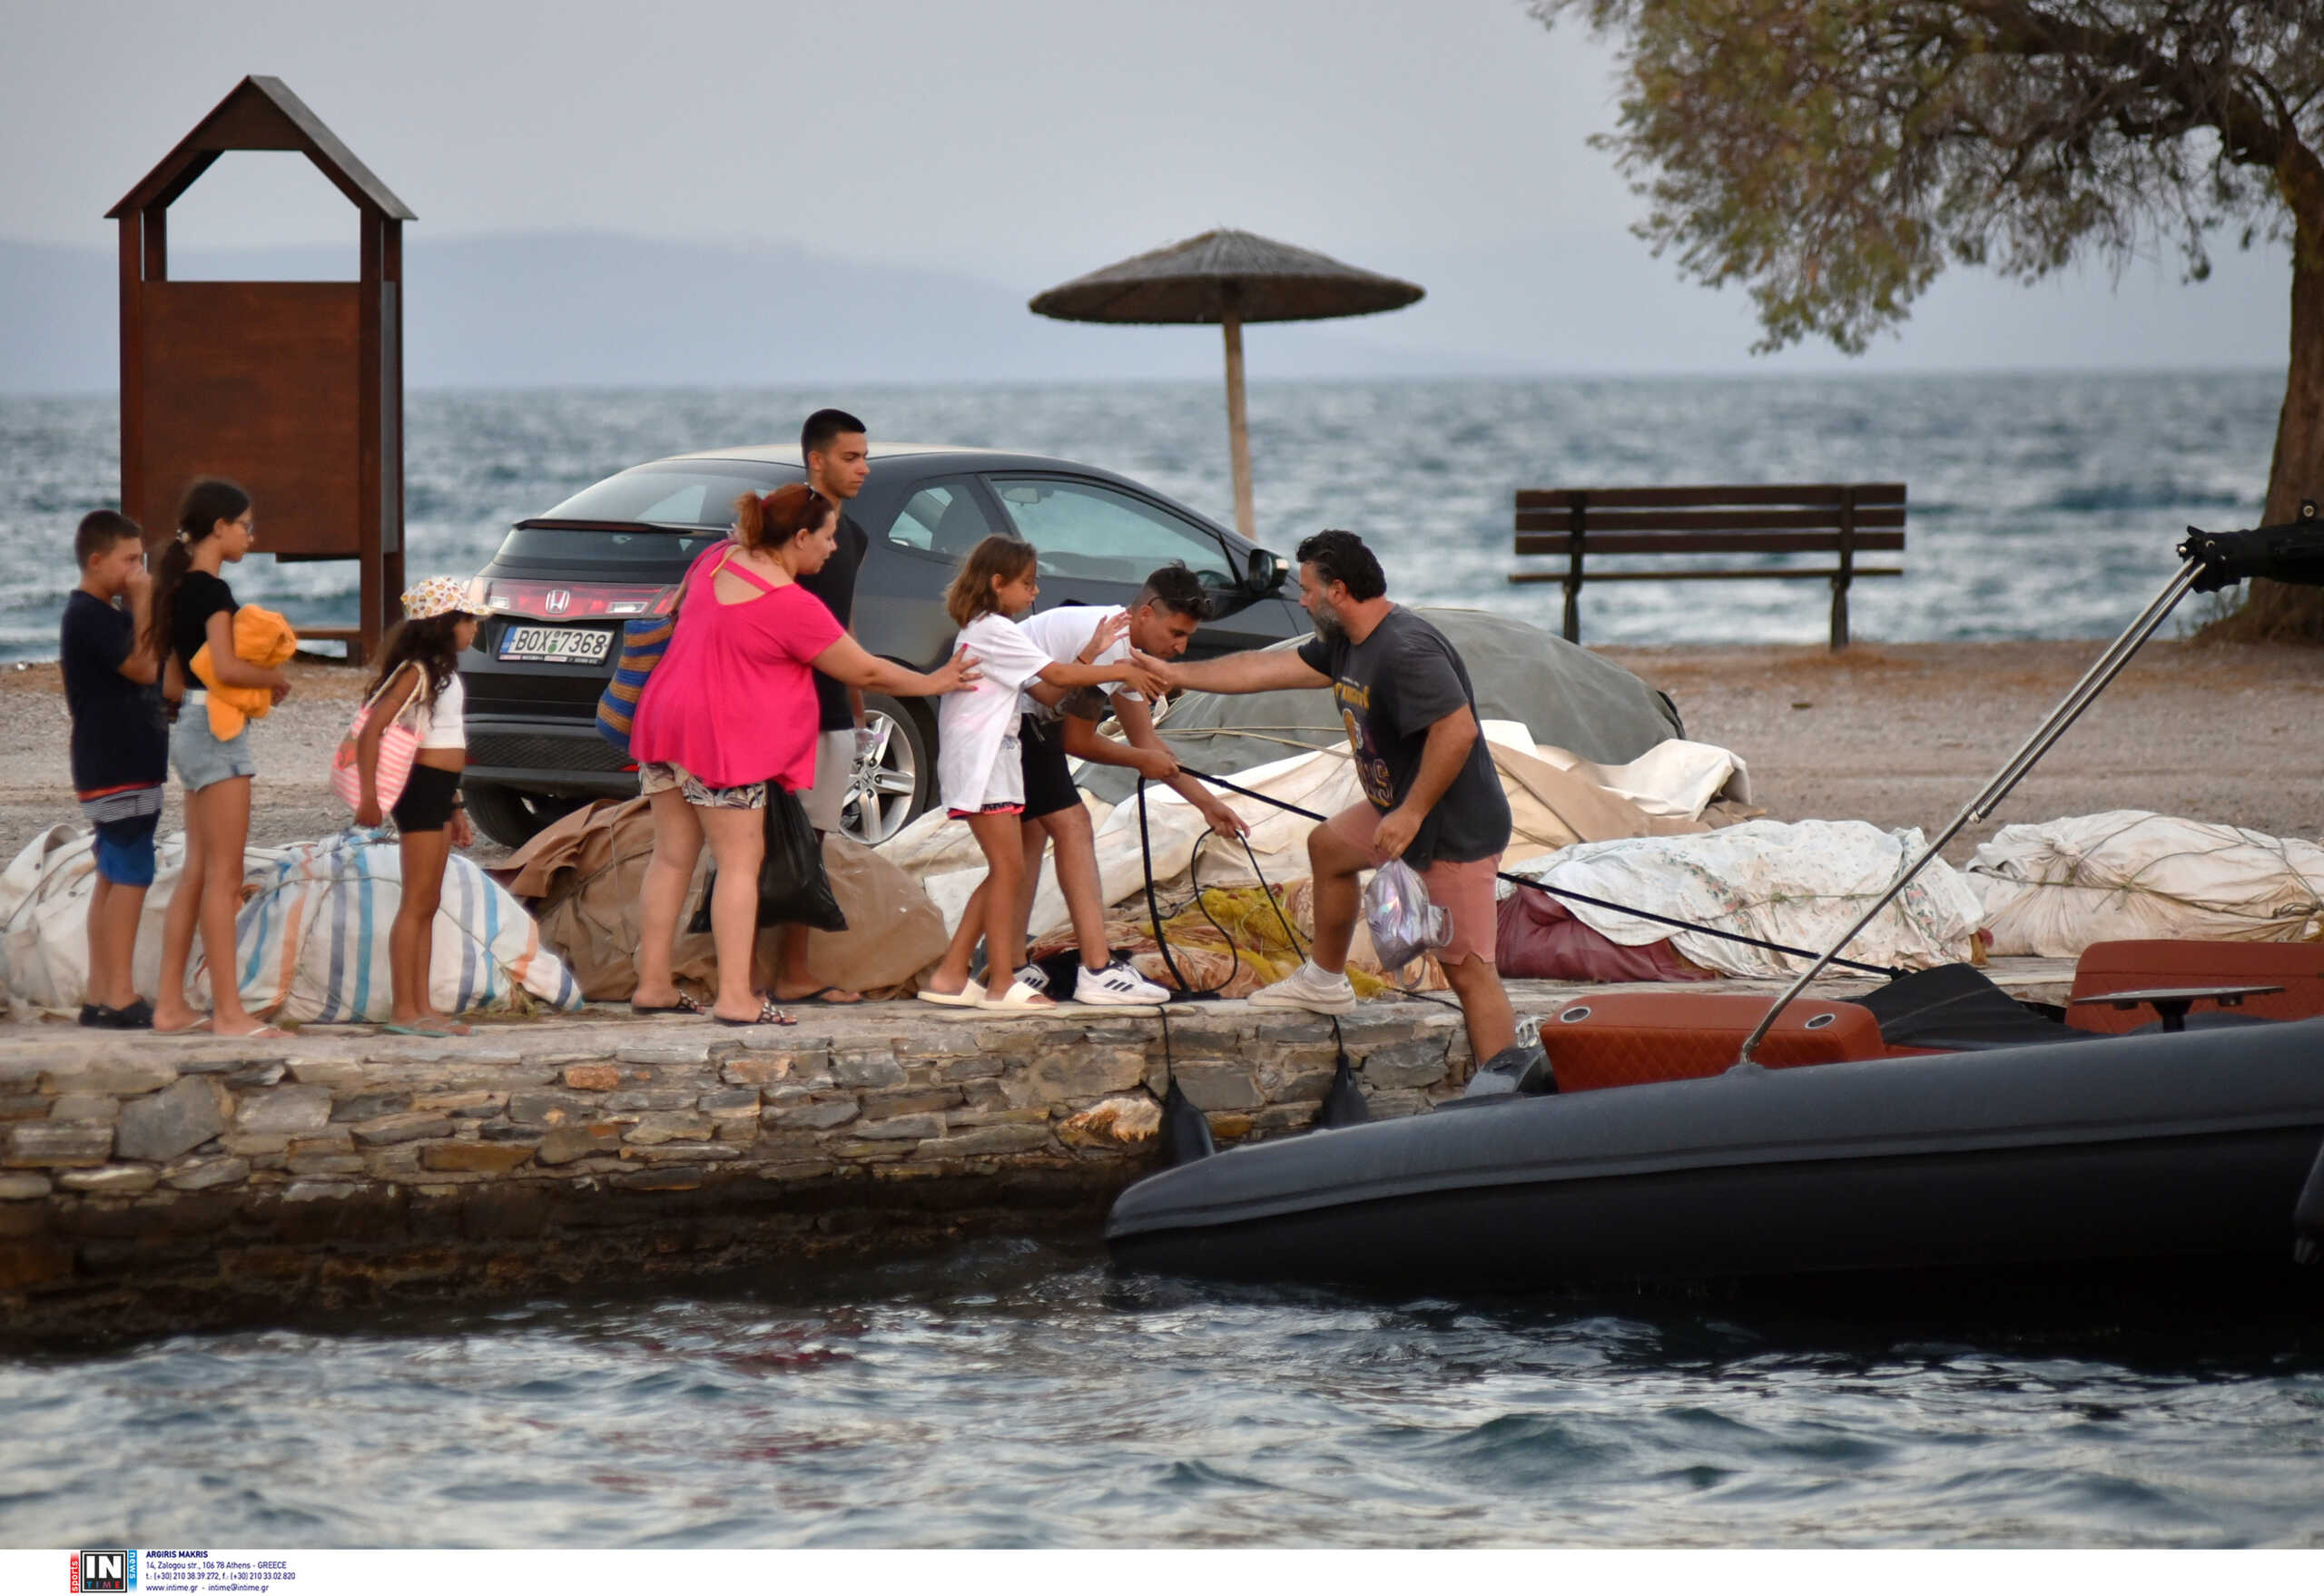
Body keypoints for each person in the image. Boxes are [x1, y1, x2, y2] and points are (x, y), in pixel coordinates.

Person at [1138, 529, 1525, 1072]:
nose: (1300, 599)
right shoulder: (1347, 641)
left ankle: (1503, 1095)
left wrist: (1411, 814)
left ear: (1338, 590)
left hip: (1453, 827)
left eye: (1307, 589)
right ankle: (1325, 981)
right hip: (1398, 810)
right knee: (1329, 847)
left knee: (1468, 970)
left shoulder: (1404, 647)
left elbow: (1456, 731)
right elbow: (1263, 670)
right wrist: (1177, 674)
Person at [626, 483, 977, 1026]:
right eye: (829, 538)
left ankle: (652, 984)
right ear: (801, 536)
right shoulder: (791, 606)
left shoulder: (716, 559)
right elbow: (864, 670)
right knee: (740, 864)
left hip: (664, 718)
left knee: (671, 856)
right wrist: (936, 682)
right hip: (723, 738)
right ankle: (737, 997)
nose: (834, 549)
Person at [917, 536, 1160, 1011]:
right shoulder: (993, 630)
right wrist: (1125, 673)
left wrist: (1090, 653)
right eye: (1027, 584)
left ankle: (952, 973)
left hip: (999, 763)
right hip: (985, 763)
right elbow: (1063, 680)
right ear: (997, 583)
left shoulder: (993, 631)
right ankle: (1002, 982)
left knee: (1006, 868)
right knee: (1008, 867)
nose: (1034, 594)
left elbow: (1048, 695)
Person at [1002, 565, 1246, 1003]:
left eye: (1186, 637)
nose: (1181, 646)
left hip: (1019, 722)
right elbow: (1079, 742)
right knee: (1074, 825)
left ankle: (1011, 965)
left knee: (1034, 835)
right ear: (1146, 614)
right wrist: (1141, 760)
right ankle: (1097, 970)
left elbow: (1148, 742)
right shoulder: (1107, 641)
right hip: (1007, 716)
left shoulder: (1129, 656)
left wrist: (1208, 805)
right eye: (1175, 633)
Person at [146, 478, 292, 1039]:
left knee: (197, 872)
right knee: (224, 878)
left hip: (189, 727)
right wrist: (272, 680)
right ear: (219, 527)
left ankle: (169, 1006)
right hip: (216, 730)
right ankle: (229, 1013)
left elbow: (173, 680)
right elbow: (226, 669)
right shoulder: (211, 592)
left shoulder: (175, 588)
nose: (251, 537)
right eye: (247, 526)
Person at [351, 576, 483, 1038]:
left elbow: (440, 736)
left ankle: (423, 1006)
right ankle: (405, 1010)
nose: (474, 629)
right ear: (446, 623)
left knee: (428, 901)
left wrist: (456, 806)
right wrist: (368, 796)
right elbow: (372, 730)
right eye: (468, 620)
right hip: (419, 787)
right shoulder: (417, 670)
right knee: (417, 900)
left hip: (438, 788)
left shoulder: (441, 672)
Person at [60, 509, 165, 1030]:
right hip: (116, 761)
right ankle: (120, 995)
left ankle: (100, 992)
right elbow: (143, 666)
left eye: (141, 561)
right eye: (128, 560)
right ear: (97, 561)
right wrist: (143, 602)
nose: (136, 570)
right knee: (130, 873)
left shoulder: (103, 615)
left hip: (118, 758)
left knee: (111, 872)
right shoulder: (89, 615)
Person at [782, 407, 873, 1005]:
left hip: (833, 710)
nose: (863, 468)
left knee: (812, 841)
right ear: (817, 461)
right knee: (779, 841)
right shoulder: (785, 527)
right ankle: (786, 974)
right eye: (850, 457)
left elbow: (843, 623)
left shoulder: (853, 537)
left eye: (866, 457)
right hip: (785, 712)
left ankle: (792, 970)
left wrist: (858, 702)